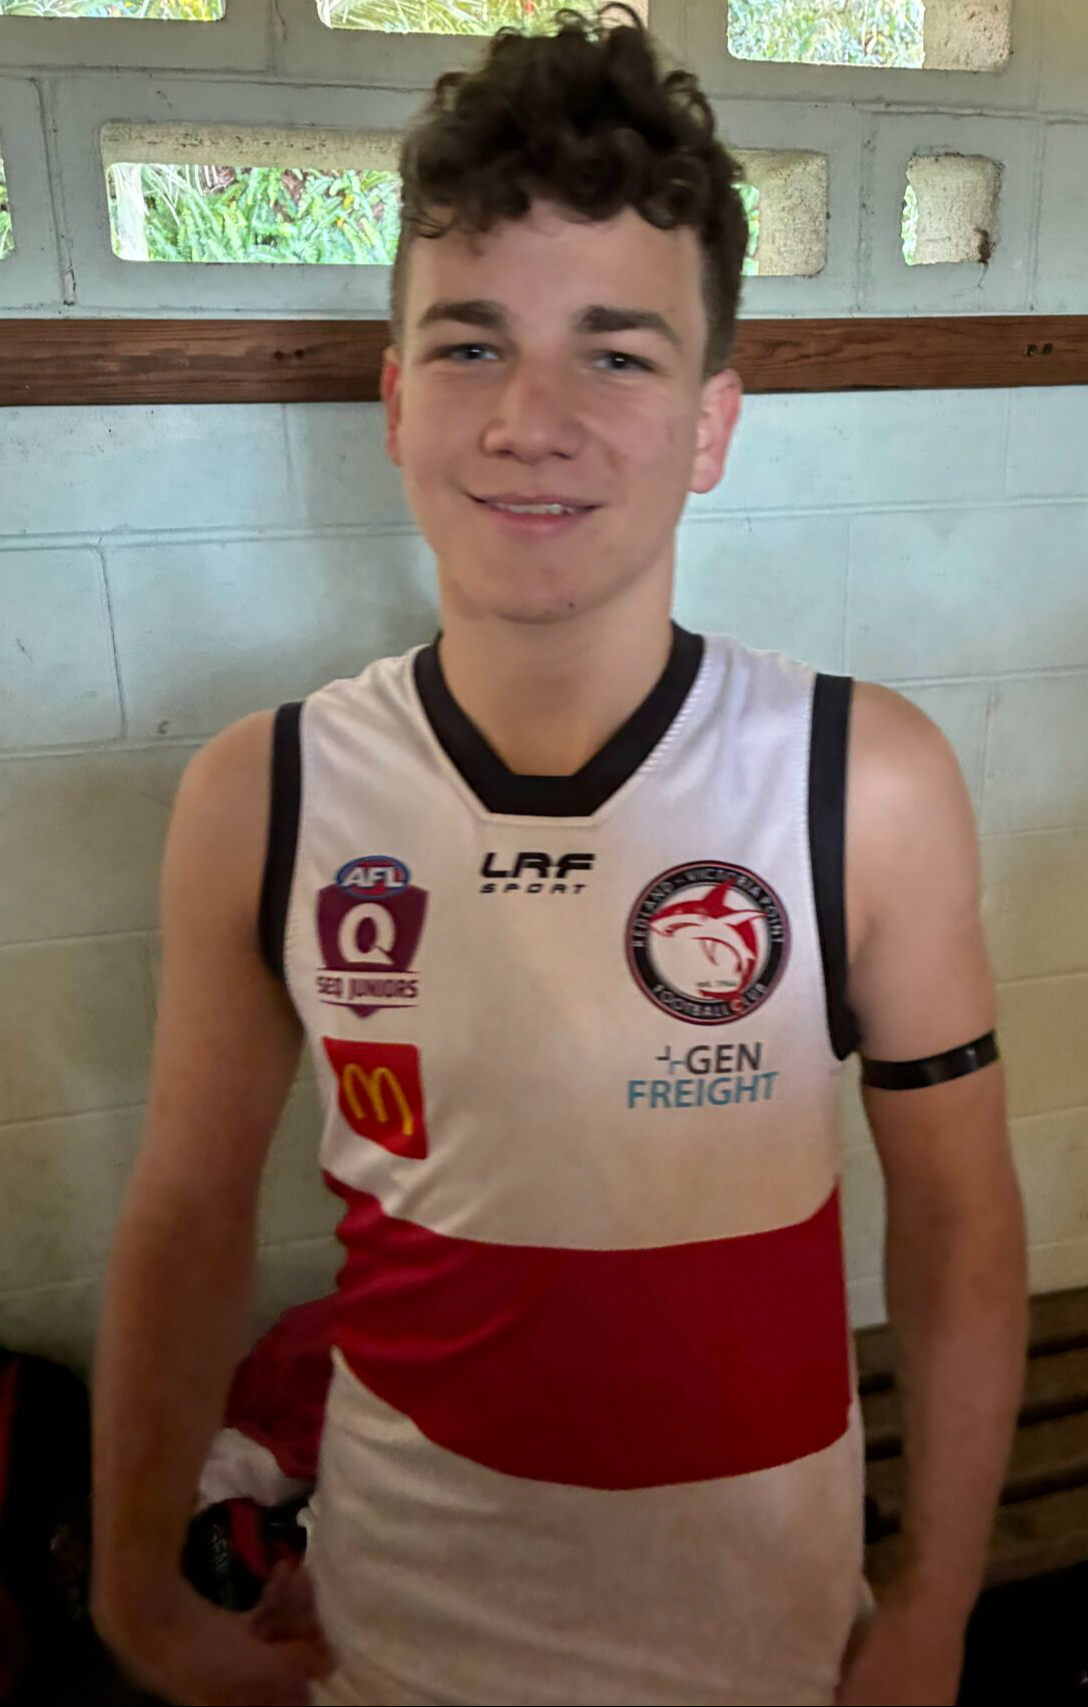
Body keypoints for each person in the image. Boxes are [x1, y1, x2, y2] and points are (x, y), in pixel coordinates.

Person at [90, 7, 1029, 1704]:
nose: (532, 417)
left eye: (615, 354)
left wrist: (937, 1599)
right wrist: (133, 1582)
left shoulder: (861, 781)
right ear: (395, 401)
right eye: (470, 345)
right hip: (391, 1643)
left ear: (713, 423)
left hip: (772, 1648)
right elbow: (185, 1215)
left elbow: (959, 1223)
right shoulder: (266, 794)